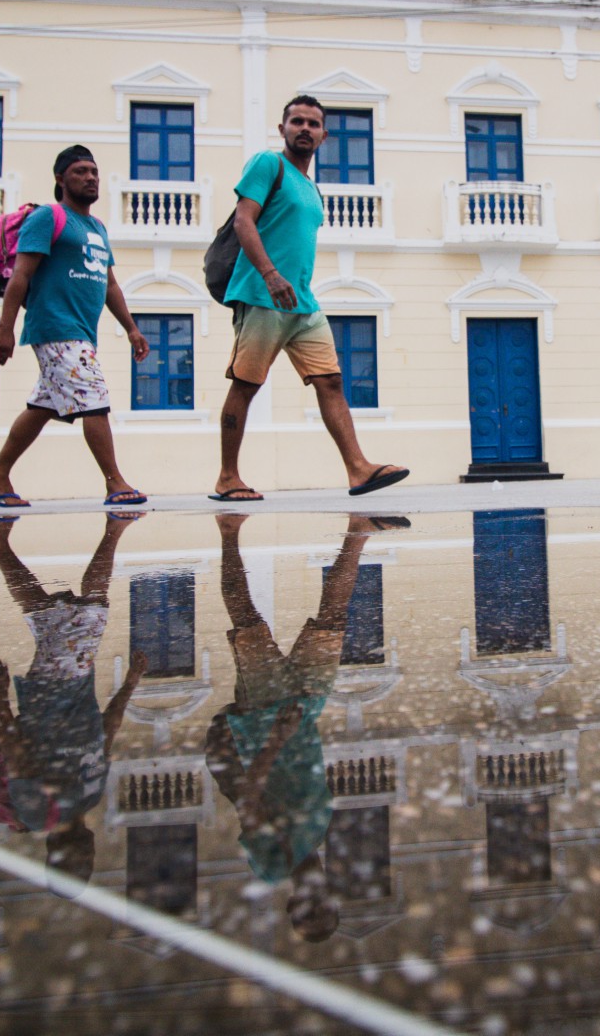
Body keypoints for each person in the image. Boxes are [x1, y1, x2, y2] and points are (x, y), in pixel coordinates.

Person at [204, 512, 395, 940]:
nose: (316, 896)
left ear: (293, 902)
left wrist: (276, 736)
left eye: (307, 907)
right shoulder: (316, 838)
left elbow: (250, 796)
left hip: (266, 715)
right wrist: (297, 726)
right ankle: (358, 531)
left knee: (247, 618)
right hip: (306, 708)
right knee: (333, 619)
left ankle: (228, 530)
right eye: (324, 903)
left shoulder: (272, 865)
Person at [211, 97, 408, 502]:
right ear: (282, 128)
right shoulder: (269, 165)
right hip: (262, 295)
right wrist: (269, 273)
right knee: (247, 385)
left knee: (331, 381)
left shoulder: (311, 188)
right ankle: (228, 477)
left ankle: (358, 469)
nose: (304, 128)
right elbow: (244, 219)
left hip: (302, 303)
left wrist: (291, 284)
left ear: (324, 135)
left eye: (313, 123)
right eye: (296, 121)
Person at [0, 515, 148, 891]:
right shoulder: (87, 800)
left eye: (76, 862)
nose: (85, 855)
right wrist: (130, 683)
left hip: (52, 692)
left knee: (93, 608)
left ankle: (114, 527)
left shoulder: (39, 813)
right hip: (73, 685)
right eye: (87, 862)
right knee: (45, 616)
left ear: (55, 855)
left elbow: (16, 753)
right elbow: (105, 733)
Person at [0, 144, 150, 509]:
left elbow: (110, 284)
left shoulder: (97, 227)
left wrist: (132, 328)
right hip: (56, 327)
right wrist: (5, 327)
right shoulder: (47, 218)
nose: (90, 178)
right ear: (61, 179)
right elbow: (21, 275)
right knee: (94, 399)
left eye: (94, 172)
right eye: (80, 172)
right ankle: (114, 481)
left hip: (81, 331)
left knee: (42, 407)